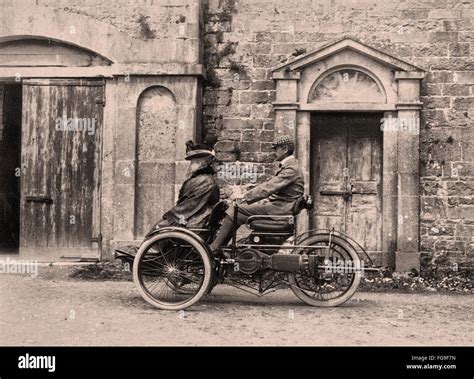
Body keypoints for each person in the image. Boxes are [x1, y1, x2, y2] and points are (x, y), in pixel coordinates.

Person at [210, 135, 305, 257]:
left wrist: (243, 195)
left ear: (285, 149)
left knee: (234, 210)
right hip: (279, 208)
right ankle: (226, 250)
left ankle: (213, 249)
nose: (273, 152)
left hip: (278, 211)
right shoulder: (290, 166)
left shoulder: (291, 168)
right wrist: (247, 192)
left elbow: (269, 187)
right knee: (239, 211)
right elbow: (269, 185)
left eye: (276, 149)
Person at [148, 140, 220, 232]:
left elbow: (189, 205)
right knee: (161, 225)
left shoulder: (205, 181)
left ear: (202, 163)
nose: (191, 165)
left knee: (159, 227)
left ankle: (149, 246)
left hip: (194, 221)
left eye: (193, 162)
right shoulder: (204, 179)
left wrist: (172, 216)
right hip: (194, 218)